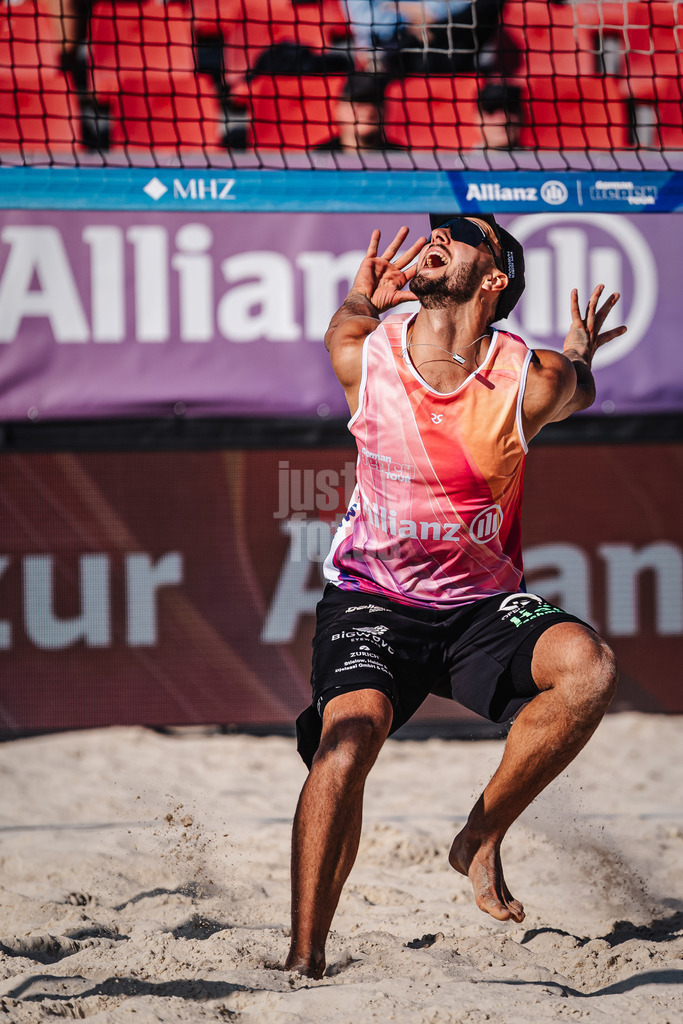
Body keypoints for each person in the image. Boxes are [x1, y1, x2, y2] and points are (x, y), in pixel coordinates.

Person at [284, 214, 627, 979]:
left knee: (589, 670)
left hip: (478, 605)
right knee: (348, 742)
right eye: (435, 230)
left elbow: (582, 383)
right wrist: (359, 297)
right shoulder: (360, 352)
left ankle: (477, 835)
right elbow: (348, 318)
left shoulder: (528, 379)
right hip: (372, 595)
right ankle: (304, 959)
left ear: (493, 278)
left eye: (461, 235)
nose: (436, 235)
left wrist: (578, 349)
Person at [314, 72, 398, 152]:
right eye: (358, 102)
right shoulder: (318, 159)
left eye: (375, 102)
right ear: (338, 109)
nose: (368, 110)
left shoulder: (400, 159)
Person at [477, 82, 524, 150]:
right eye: (492, 110)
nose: (503, 118)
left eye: (510, 108)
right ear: (477, 117)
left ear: (522, 115)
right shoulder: (462, 159)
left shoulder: (539, 159)